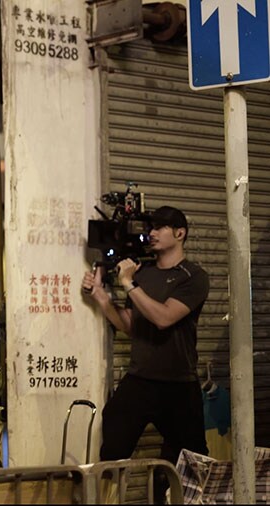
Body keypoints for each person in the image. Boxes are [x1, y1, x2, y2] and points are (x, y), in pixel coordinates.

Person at [82, 206, 209, 500]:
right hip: (140, 380)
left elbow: (164, 318)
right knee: (112, 449)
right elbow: (129, 325)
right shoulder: (146, 274)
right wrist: (101, 296)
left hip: (179, 384)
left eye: (159, 228)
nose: (150, 233)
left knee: (186, 463)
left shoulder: (193, 276)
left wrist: (128, 283)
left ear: (180, 233)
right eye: (149, 227)